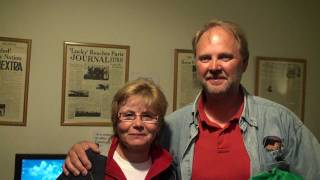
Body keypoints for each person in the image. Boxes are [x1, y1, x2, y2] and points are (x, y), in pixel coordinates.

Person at [62, 19, 320, 179]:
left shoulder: (280, 121)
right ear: (196, 64)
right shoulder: (172, 127)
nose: (214, 66)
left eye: (225, 57)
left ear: (244, 63)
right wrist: (84, 152)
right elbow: (133, 150)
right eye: (205, 58)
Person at [58, 78, 177, 179]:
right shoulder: (86, 164)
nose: (138, 124)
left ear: (159, 124)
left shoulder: (169, 171)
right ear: (116, 121)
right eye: (128, 115)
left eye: (148, 116)